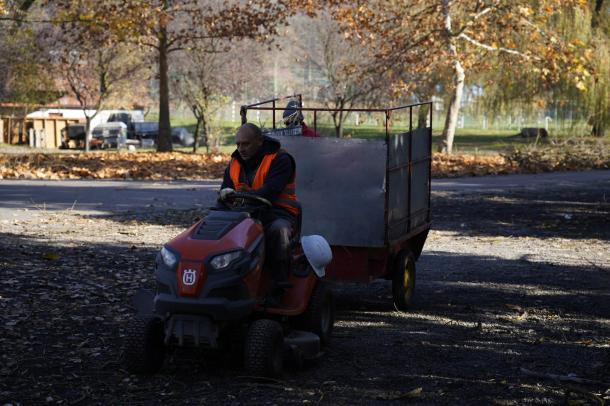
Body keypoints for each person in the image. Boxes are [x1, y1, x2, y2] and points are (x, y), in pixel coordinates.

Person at [218, 123, 299, 301]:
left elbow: (270, 192)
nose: (241, 149)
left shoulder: (280, 159)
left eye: (246, 144)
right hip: (245, 214)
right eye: (238, 144)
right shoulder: (234, 162)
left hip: (278, 214)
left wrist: (240, 196)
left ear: (260, 141)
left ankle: (279, 285)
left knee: (279, 231)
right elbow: (225, 192)